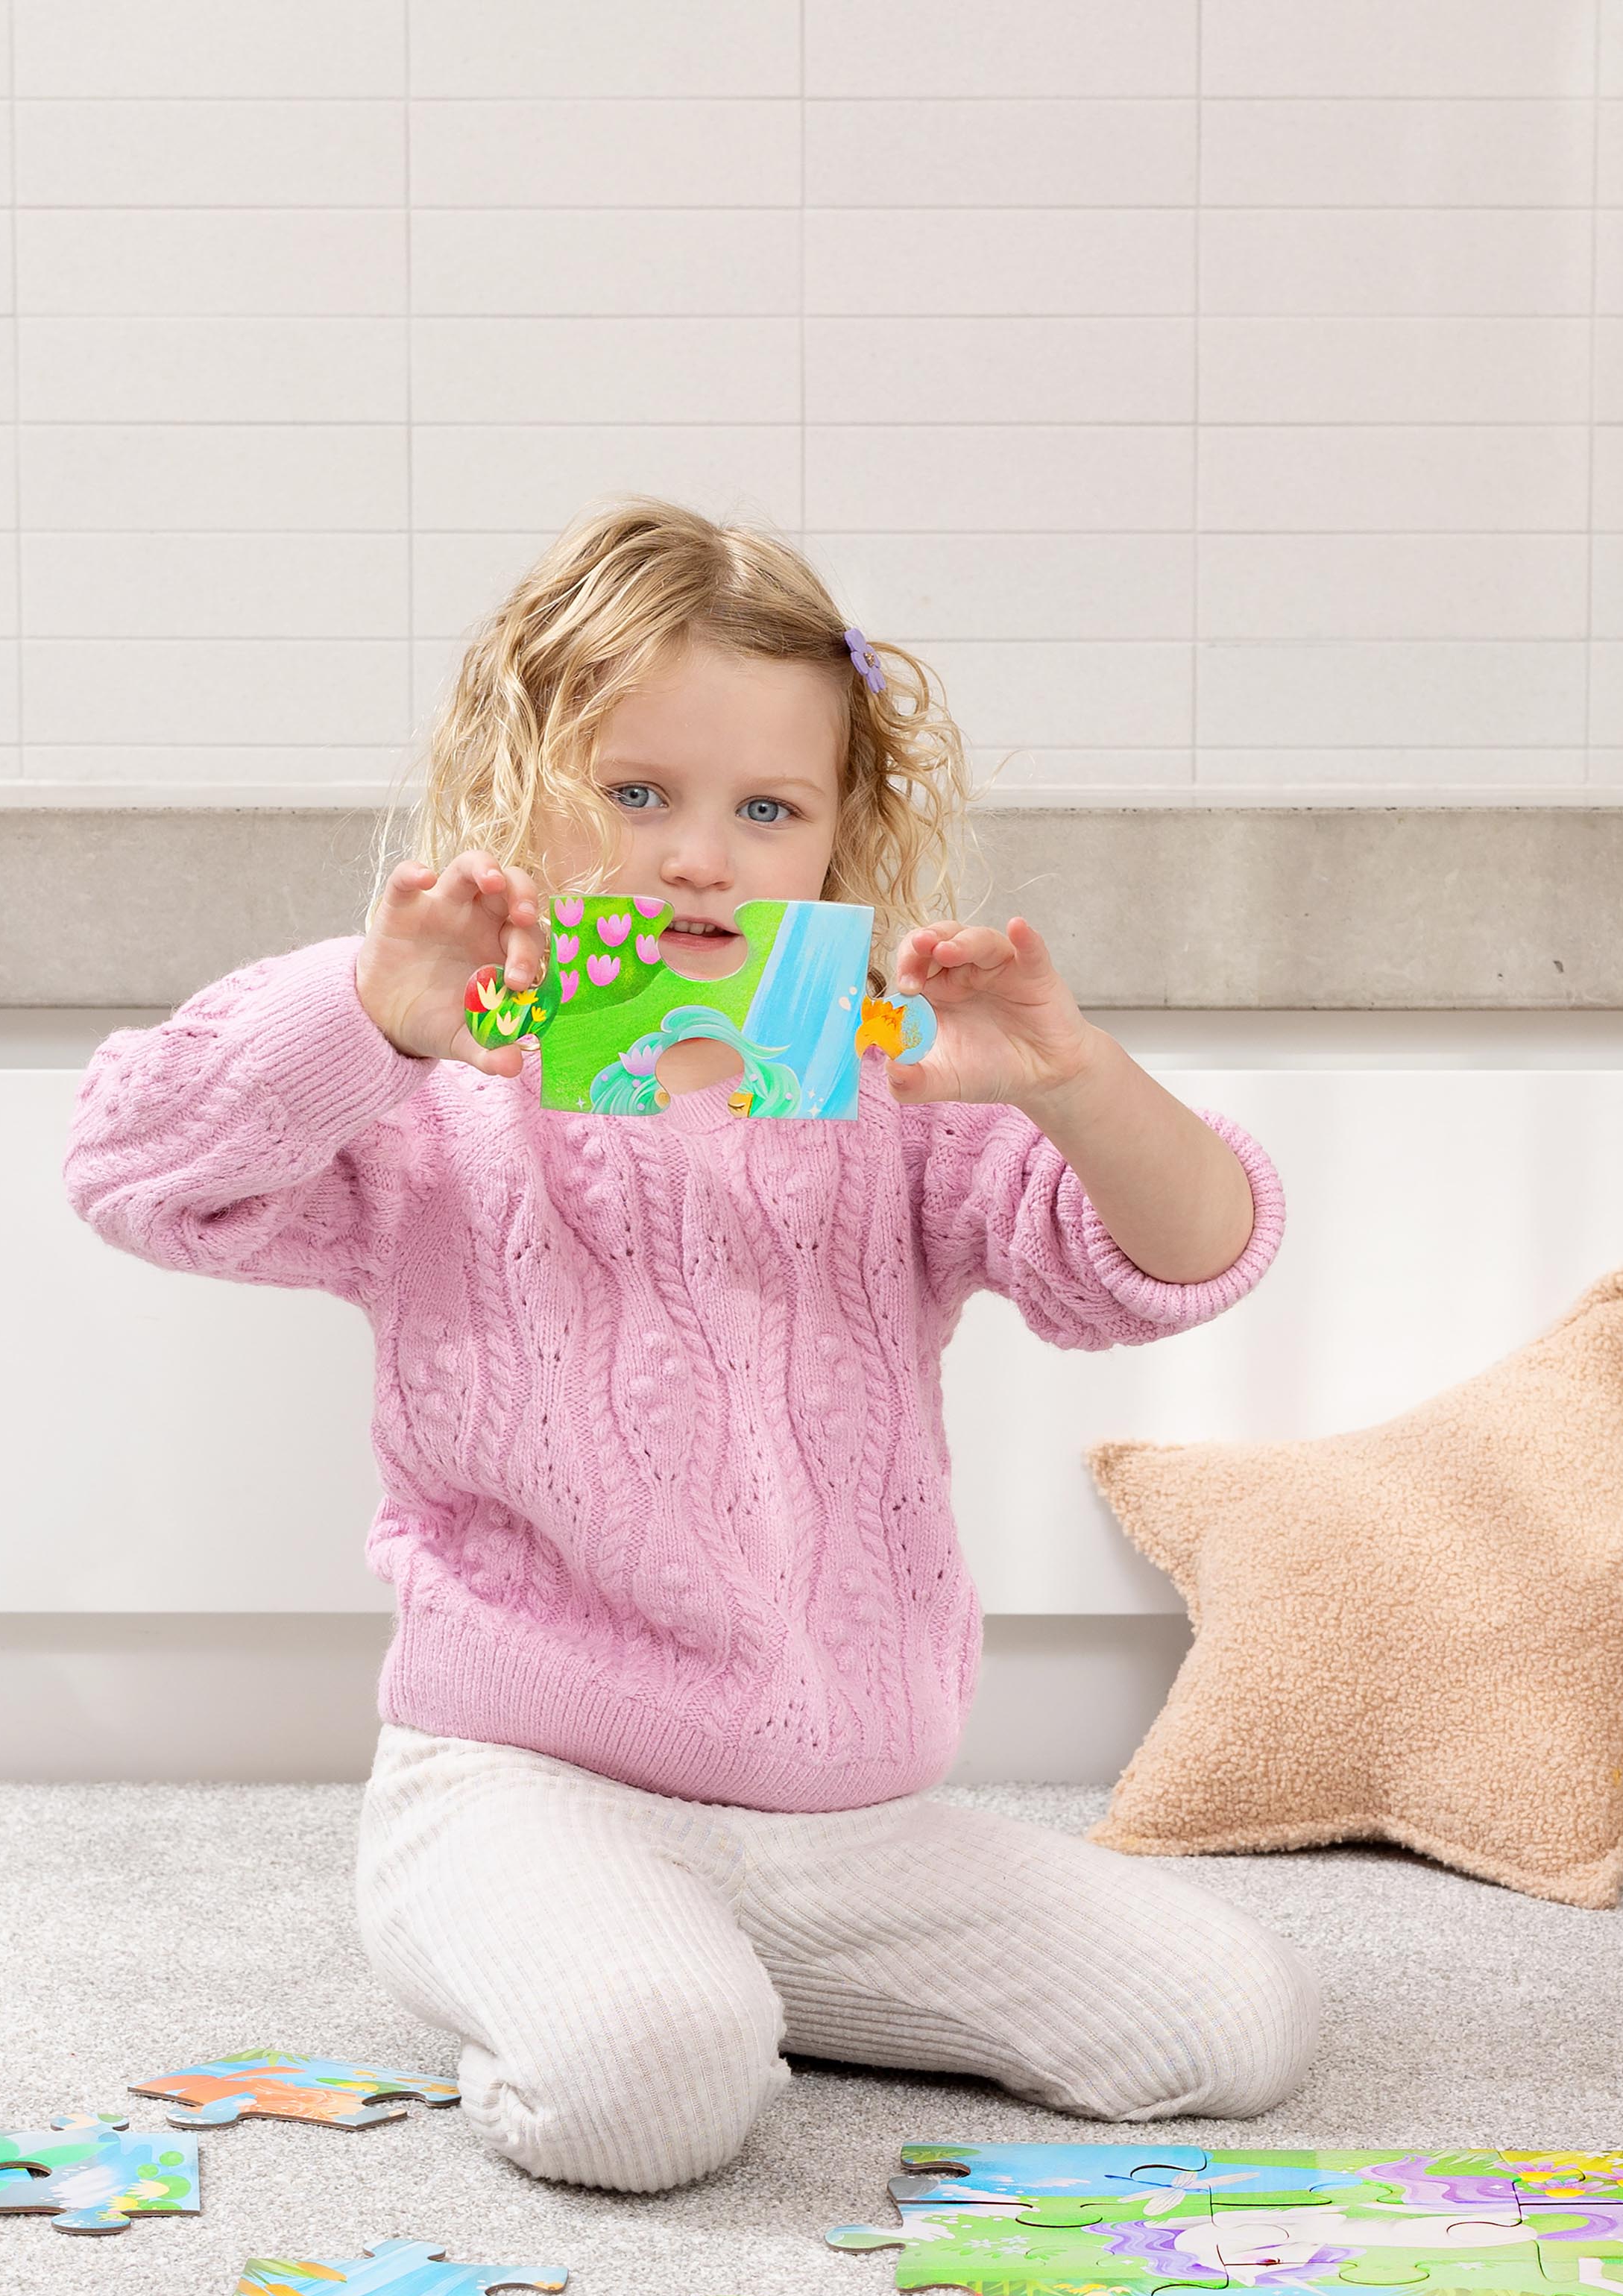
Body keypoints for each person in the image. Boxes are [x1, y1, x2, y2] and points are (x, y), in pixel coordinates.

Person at [64, 498, 1318, 2194]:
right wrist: (365, 1015)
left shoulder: (893, 1069)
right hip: (528, 1780)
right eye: (636, 792)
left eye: (765, 808)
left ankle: (711, 1979)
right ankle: (580, 1963)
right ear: (518, 787)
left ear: (837, 835)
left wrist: (1072, 1079)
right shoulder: (442, 1073)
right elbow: (138, 1171)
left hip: (849, 1818)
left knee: (1230, 2028)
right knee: (655, 2097)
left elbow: (1180, 1260)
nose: (696, 855)